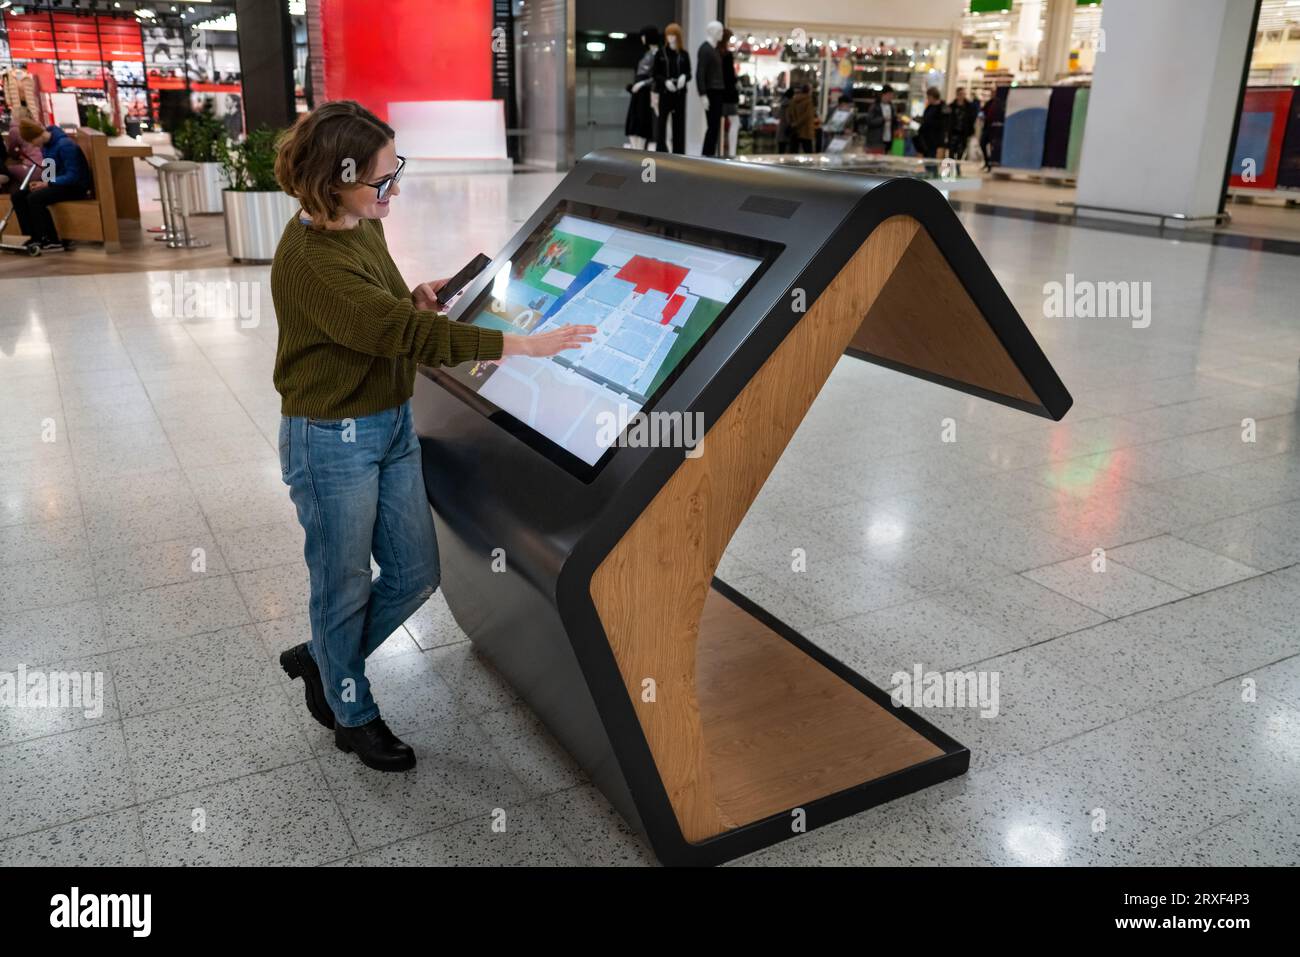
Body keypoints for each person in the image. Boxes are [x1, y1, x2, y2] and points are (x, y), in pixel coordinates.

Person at [270, 100, 596, 772]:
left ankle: (326, 658)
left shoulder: (357, 223)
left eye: (398, 173)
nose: (395, 189)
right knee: (344, 583)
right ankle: (351, 711)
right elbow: (406, 336)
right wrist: (519, 344)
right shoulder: (314, 261)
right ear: (337, 179)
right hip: (333, 439)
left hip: (389, 422)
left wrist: (413, 296)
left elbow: (390, 317)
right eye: (383, 180)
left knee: (416, 572)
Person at [11, 118, 92, 251]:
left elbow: (74, 176)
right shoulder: (46, 146)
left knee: (35, 199)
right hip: (59, 184)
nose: (33, 145)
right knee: (18, 196)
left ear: (37, 135)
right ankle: (35, 237)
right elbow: (50, 172)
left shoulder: (65, 145)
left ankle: (51, 239)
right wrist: (41, 183)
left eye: (32, 141)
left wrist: (47, 183)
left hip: (75, 187)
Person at [913, 86, 948, 159]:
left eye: (928, 97)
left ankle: (932, 171)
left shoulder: (943, 108)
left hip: (935, 139)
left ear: (932, 96)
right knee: (927, 159)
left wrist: (926, 122)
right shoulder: (930, 107)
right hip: (926, 138)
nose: (927, 98)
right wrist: (919, 119)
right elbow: (926, 119)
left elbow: (942, 124)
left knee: (931, 160)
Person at [948, 86, 978, 161]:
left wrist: (971, 131)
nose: (962, 96)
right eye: (960, 94)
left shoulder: (969, 106)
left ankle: (957, 168)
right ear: (957, 95)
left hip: (964, 133)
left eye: (963, 94)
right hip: (953, 133)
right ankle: (951, 169)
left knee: (960, 152)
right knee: (951, 152)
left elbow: (972, 119)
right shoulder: (951, 106)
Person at [784, 83, 817, 154]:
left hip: (795, 130)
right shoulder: (809, 101)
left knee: (793, 152)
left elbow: (789, 113)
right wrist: (797, 123)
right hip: (806, 130)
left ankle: (792, 164)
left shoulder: (794, 100)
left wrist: (793, 124)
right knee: (808, 152)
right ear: (809, 91)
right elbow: (807, 115)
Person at [863, 87, 895, 154]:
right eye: (890, 95)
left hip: (888, 137)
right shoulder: (874, 106)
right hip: (876, 139)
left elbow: (893, 121)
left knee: (886, 158)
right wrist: (883, 119)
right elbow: (870, 121)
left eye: (892, 95)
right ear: (884, 95)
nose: (891, 97)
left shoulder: (891, 107)